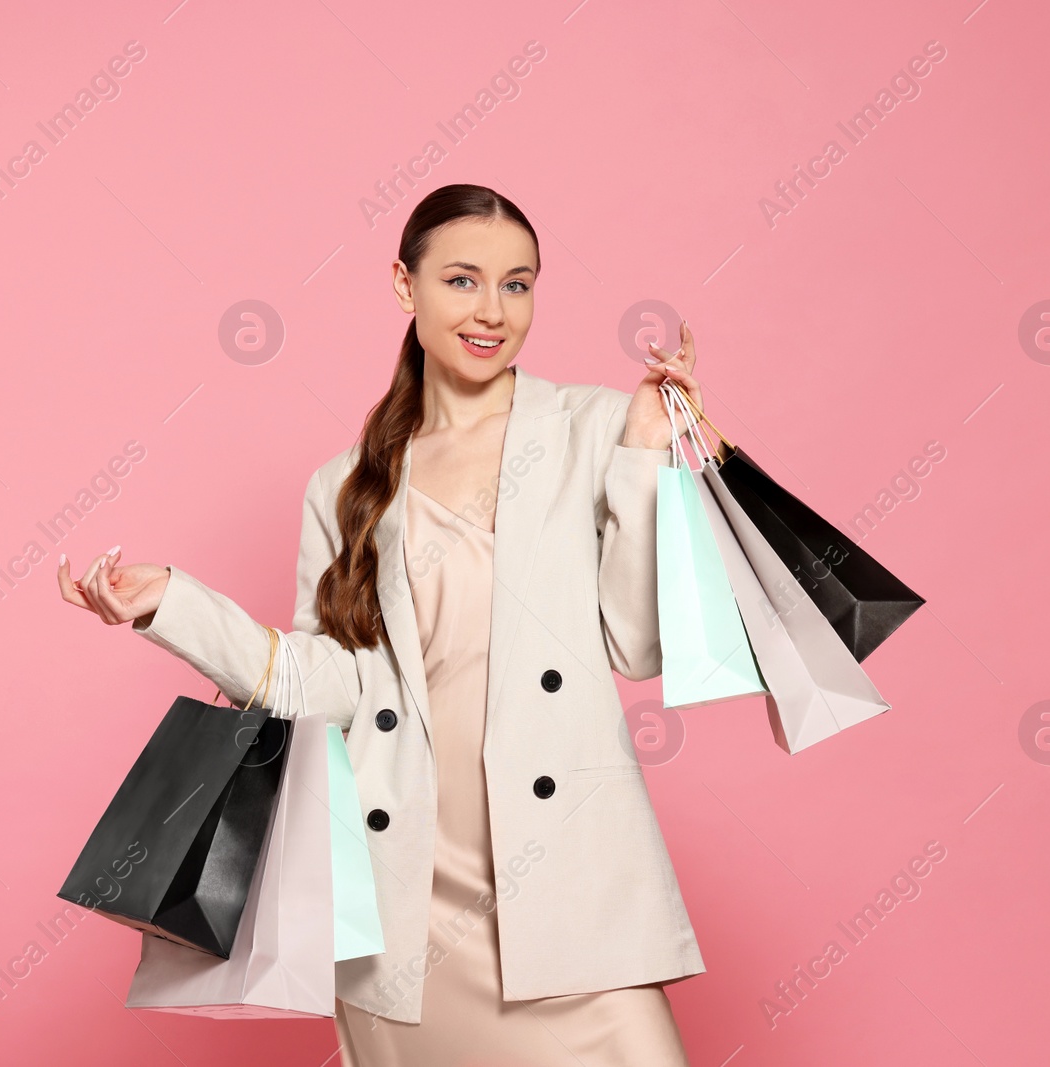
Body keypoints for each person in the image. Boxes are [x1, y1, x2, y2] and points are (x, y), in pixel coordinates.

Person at [58, 183, 709, 1065]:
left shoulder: (592, 425)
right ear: (405, 286)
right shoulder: (348, 483)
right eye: (463, 280)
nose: (492, 311)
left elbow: (634, 645)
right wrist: (171, 601)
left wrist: (643, 455)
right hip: (414, 897)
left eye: (518, 285)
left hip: (566, 885)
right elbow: (321, 680)